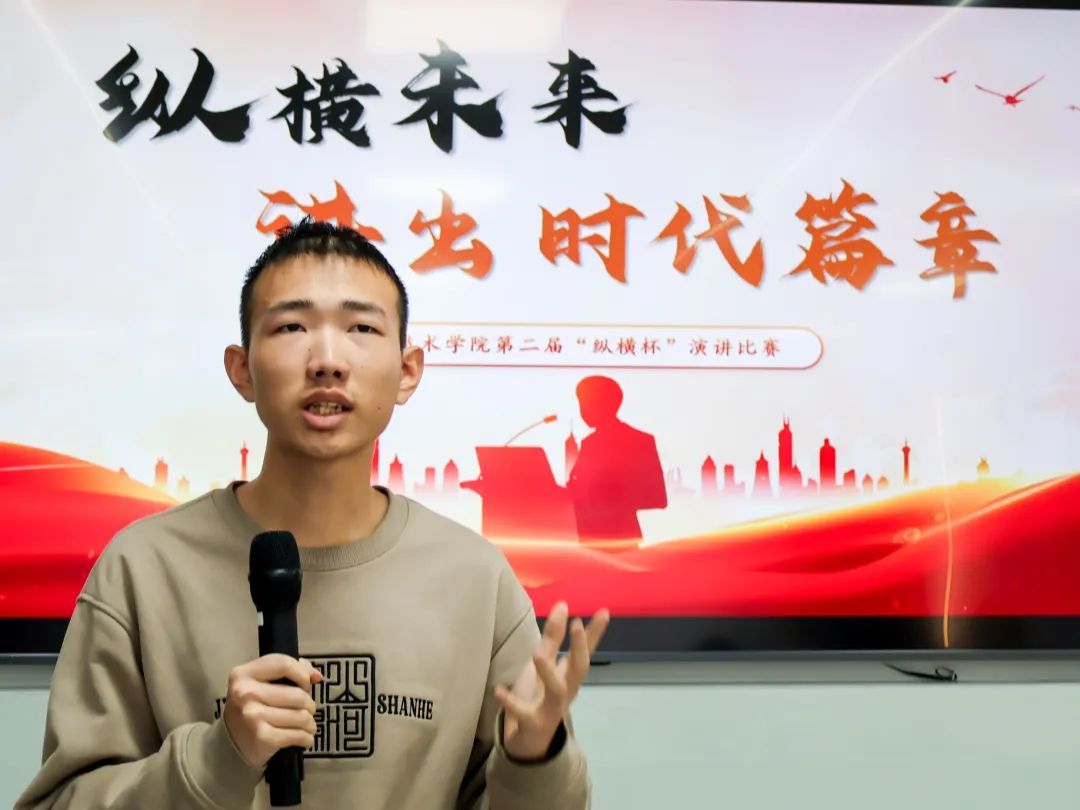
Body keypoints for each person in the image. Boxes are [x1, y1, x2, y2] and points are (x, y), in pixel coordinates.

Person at [16, 218, 609, 809]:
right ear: (242, 369)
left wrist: (535, 760)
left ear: (407, 372)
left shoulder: (474, 578)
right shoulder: (143, 568)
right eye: (292, 326)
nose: (327, 360)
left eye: (361, 328)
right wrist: (217, 760)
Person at [566, 376, 667, 549]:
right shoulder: (588, 443)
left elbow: (658, 498)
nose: (582, 411)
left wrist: (605, 496)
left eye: (586, 404)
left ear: (606, 404)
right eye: (581, 404)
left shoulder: (640, 441)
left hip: (621, 541)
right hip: (587, 541)